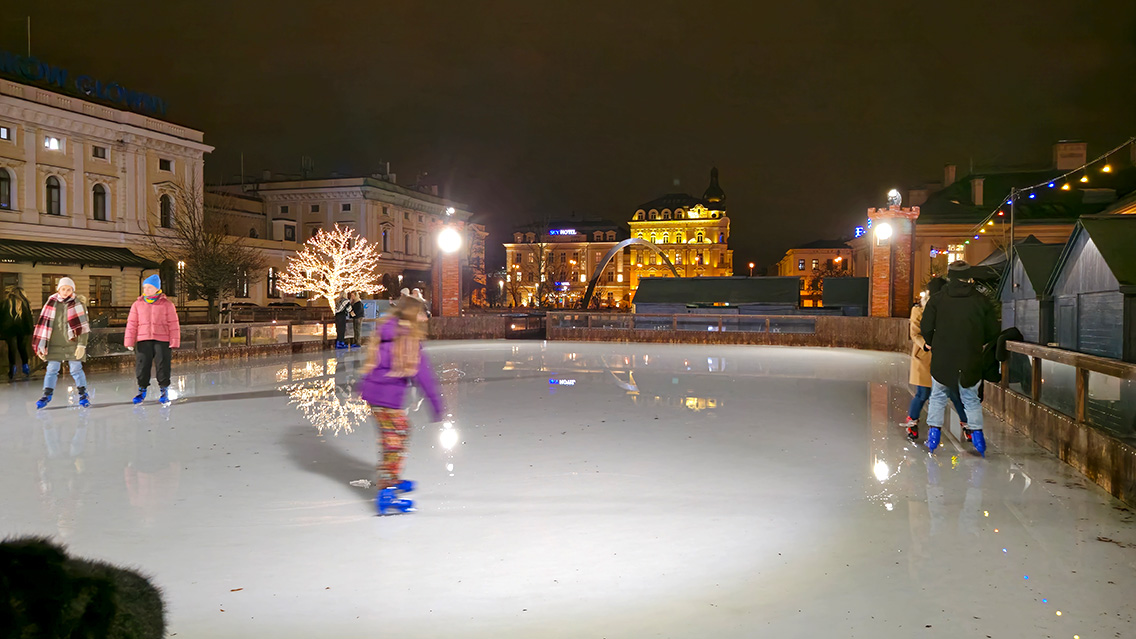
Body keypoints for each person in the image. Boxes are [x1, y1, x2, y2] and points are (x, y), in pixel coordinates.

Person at [358, 293, 444, 515]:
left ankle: (392, 477)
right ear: (413, 315)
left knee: (400, 433)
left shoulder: (387, 330)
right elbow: (424, 377)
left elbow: (373, 363)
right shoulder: (409, 340)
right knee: (393, 443)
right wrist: (436, 405)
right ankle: (387, 492)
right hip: (387, 399)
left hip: (375, 396)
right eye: (422, 313)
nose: (425, 317)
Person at [921, 261, 1000, 456]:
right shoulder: (981, 301)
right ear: (968, 277)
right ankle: (978, 440)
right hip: (970, 357)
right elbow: (992, 330)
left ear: (950, 276)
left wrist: (932, 342)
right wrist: (977, 342)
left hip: (943, 358)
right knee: (971, 398)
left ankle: (933, 437)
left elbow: (926, 326)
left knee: (938, 396)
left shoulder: (938, 300)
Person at [905, 278, 968, 440]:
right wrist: (927, 344)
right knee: (923, 393)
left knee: (954, 392)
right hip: (924, 357)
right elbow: (915, 333)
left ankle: (967, 424)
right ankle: (912, 421)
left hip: (946, 357)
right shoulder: (918, 310)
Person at [33, 277, 91, 409]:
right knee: (52, 369)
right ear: (58, 289)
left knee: (76, 369)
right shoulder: (50, 304)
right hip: (55, 344)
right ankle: (46, 394)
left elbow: (83, 327)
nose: (65, 292)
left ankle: (83, 394)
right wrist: (41, 346)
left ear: (72, 290)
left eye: (68, 289)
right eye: (63, 289)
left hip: (72, 344)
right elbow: (42, 326)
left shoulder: (78, 304)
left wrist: (82, 345)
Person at [125, 274, 181, 405]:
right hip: (143, 339)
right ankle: (142, 389)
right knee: (142, 365)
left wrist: (174, 340)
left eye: (149, 288)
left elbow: (174, 324)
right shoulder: (137, 305)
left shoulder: (167, 305)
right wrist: (129, 341)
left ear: (157, 289)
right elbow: (132, 323)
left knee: (163, 365)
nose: (146, 290)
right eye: (144, 288)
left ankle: (164, 390)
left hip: (162, 339)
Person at [1, 285, 33, 380]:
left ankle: (12, 368)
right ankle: (25, 365)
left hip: (8, 329)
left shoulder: (5, 302)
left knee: (11, 348)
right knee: (22, 347)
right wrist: (30, 329)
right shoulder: (25, 303)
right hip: (23, 329)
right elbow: (28, 318)